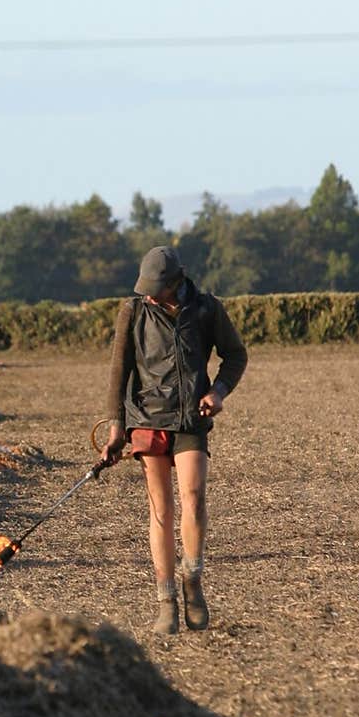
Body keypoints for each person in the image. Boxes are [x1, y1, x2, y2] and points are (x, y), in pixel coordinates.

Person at [101, 245, 248, 635]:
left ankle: (192, 581)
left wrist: (217, 392)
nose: (148, 294)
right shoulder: (132, 312)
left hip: (190, 419)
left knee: (195, 499)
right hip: (148, 420)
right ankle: (166, 601)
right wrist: (116, 426)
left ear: (174, 282)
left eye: (154, 288)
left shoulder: (205, 309)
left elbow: (235, 355)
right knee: (162, 511)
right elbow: (119, 372)